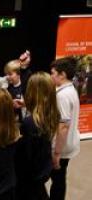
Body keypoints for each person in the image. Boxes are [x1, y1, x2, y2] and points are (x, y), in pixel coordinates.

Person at [15, 72, 60, 200]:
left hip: (29, 178)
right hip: (42, 170)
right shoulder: (52, 114)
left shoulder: (29, 123)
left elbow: (24, 158)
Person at [50, 57, 80, 200]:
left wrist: (56, 154)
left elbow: (63, 126)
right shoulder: (70, 89)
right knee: (60, 178)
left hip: (61, 147)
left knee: (58, 179)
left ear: (62, 74)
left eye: (53, 73)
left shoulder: (62, 96)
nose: (51, 76)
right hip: (68, 144)